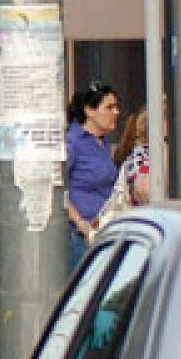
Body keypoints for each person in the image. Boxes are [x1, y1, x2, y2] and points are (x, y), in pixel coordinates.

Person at [65, 81, 121, 269]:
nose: (116, 112)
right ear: (90, 110)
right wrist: (81, 223)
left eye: (116, 107)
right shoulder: (73, 142)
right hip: (80, 236)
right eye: (109, 107)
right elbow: (57, 188)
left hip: (102, 231)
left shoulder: (102, 143)